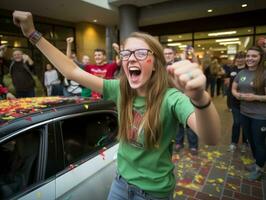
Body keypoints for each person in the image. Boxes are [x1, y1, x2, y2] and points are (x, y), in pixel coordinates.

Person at [13, 11, 221, 199]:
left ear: (156, 64)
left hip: (154, 193)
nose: (131, 58)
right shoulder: (119, 89)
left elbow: (211, 138)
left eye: (141, 53)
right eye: (126, 53)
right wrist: (32, 34)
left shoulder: (171, 98)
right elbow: (71, 71)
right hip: (120, 184)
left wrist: (200, 98)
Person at [232, 46, 266, 180]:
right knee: (251, 141)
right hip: (244, 113)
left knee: (259, 143)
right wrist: (237, 95)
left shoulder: (263, 73)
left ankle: (259, 170)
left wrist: (255, 97)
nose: (250, 58)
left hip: (260, 116)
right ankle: (258, 162)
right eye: (248, 56)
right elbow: (234, 88)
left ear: (260, 58)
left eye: (254, 56)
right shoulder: (242, 73)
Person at [163, 46, 199, 155]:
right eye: (165, 53)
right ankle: (179, 143)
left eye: (170, 53)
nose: (168, 55)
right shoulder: (159, 67)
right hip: (168, 99)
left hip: (184, 97)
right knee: (177, 123)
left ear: (174, 55)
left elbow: (194, 70)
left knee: (189, 122)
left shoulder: (181, 65)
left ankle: (193, 145)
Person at [227, 52, 248, 152]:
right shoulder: (232, 69)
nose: (240, 60)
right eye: (238, 58)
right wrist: (229, 102)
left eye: (242, 57)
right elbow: (229, 86)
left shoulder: (249, 69)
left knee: (245, 123)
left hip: (247, 102)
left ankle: (245, 142)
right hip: (235, 102)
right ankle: (233, 142)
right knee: (236, 122)